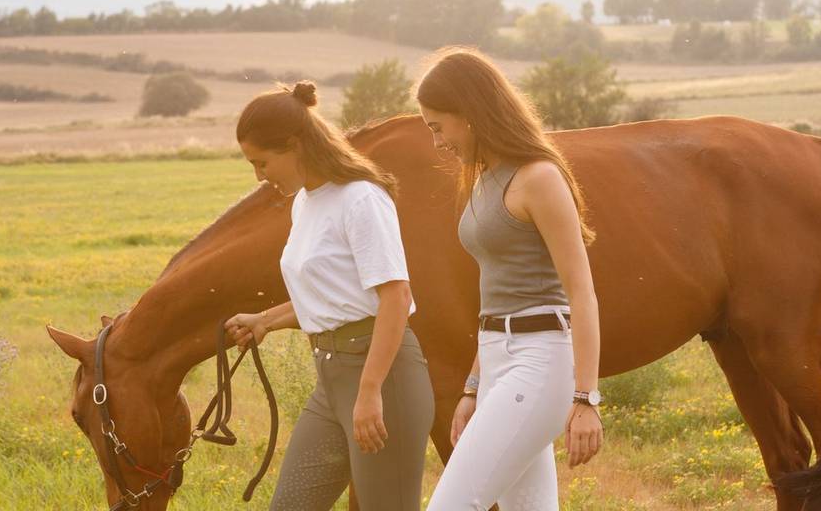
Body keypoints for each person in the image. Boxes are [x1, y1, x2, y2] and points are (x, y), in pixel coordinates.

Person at [225, 80, 435, 511]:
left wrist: (371, 390)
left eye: (262, 163)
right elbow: (333, 298)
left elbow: (395, 297)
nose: (259, 177)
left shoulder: (361, 199)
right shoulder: (306, 202)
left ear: (295, 144)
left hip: (383, 379)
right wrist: (264, 320)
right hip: (331, 381)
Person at [418, 48, 604, 510]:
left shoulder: (539, 177)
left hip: (540, 362)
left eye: (438, 127)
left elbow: (581, 292)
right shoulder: (483, 179)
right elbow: (495, 295)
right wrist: (473, 386)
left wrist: (586, 398)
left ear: (470, 113)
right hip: (497, 358)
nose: (437, 142)